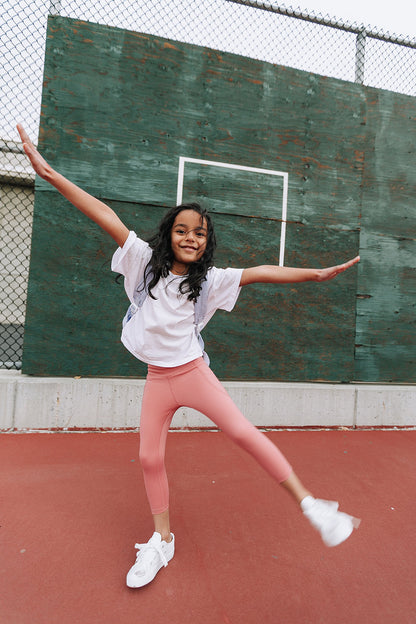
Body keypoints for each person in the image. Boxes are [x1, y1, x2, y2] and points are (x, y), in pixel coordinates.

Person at [17, 124, 360, 589]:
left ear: (206, 241)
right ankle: (162, 541)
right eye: (181, 230)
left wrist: (315, 275)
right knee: (148, 458)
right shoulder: (141, 260)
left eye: (199, 233)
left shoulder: (212, 281)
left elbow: (261, 272)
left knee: (242, 433)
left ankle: (310, 504)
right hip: (158, 380)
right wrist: (51, 174)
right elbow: (101, 212)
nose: (190, 237)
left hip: (194, 373)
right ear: (169, 235)